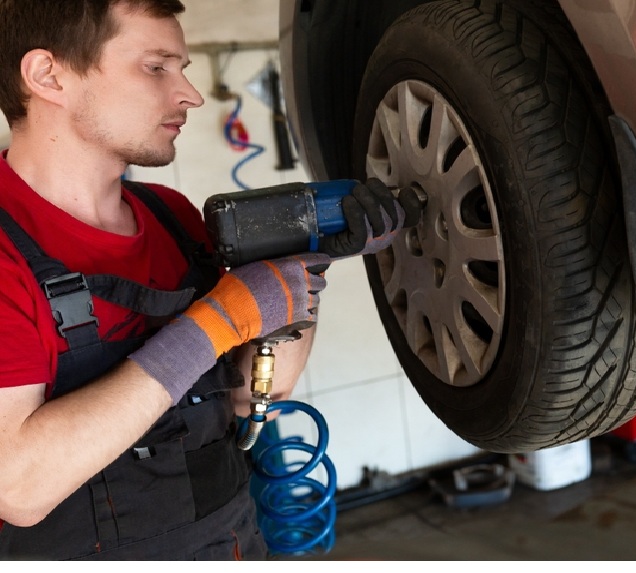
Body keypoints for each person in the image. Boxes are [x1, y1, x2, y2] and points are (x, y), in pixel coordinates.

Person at [0, 0, 416, 560]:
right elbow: (19, 489)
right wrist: (218, 322)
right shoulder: (7, 250)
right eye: (156, 67)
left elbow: (254, 394)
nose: (189, 94)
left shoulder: (173, 217)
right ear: (48, 76)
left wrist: (305, 272)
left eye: (184, 68)